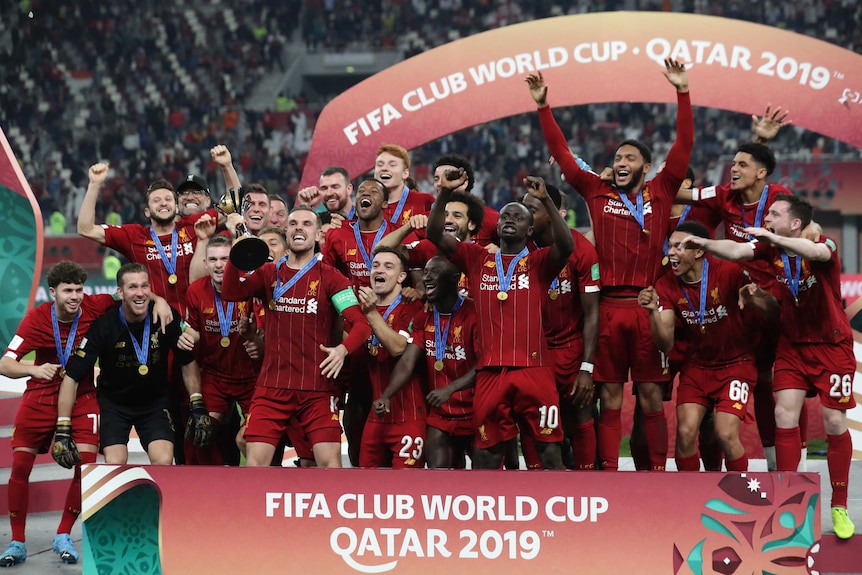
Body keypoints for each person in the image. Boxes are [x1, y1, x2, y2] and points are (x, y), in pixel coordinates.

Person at [529, 59, 693, 471]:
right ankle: (608, 475)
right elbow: (562, 154)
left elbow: (683, 147)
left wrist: (683, 92)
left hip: (645, 305)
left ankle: (655, 476)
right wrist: (543, 107)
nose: (620, 162)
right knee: (612, 398)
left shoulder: (662, 190)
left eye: (630, 158)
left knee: (652, 397)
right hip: (607, 308)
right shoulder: (595, 190)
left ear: (645, 166)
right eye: (617, 157)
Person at [684, 194, 855, 539]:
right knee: (783, 416)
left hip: (832, 346)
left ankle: (838, 506)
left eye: (775, 214)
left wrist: (774, 238)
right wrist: (706, 243)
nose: (768, 217)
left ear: (794, 223)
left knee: (835, 421)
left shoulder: (824, 243)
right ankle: (789, 503)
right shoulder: (769, 249)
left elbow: (818, 254)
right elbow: (737, 251)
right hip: (792, 346)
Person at [0, 262, 168, 566]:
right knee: (21, 465)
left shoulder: (96, 306)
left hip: (83, 396)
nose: (75, 297)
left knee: (87, 466)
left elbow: (135, 295)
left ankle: (64, 533)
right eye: (67, 291)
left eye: (79, 289)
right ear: (52, 293)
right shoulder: (36, 320)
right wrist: (33, 369)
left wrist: (162, 301)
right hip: (41, 394)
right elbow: (5, 364)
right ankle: (16, 541)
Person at [428, 170, 573, 470]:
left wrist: (545, 199)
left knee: (548, 452)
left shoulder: (539, 262)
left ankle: (557, 512)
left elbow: (567, 247)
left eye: (518, 217)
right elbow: (433, 235)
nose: (509, 219)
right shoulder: (476, 258)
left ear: (530, 230)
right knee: (487, 454)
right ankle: (490, 515)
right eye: (505, 216)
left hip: (535, 371)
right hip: (491, 372)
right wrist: (444, 193)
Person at [220, 205, 371, 468]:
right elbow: (231, 292)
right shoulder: (269, 274)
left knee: (329, 465)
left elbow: (361, 325)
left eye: (306, 224)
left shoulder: (333, 278)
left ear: (317, 236)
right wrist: (237, 249)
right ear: (286, 232)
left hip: (317, 388)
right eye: (293, 224)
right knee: (255, 463)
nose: (299, 227)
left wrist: (342, 350)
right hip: (273, 387)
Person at [639, 221, 779, 473]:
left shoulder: (729, 272)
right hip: (697, 367)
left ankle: (742, 495)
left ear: (699, 251)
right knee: (684, 433)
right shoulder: (666, 284)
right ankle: (690, 502)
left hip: (736, 365)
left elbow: (774, 312)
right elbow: (665, 343)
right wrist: (652, 315)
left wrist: (755, 297)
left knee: (725, 433)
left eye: (680, 246)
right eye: (670, 246)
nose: (671, 252)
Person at [53, 264, 212, 467]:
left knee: (163, 460)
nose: (140, 293)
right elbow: (72, 377)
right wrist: (63, 427)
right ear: (120, 292)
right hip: (114, 404)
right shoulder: (104, 326)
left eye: (144, 286)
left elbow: (187, 362)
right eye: (132, 287)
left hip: (155, 403)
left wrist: (196, 403)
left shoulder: (164, 316)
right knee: (115, 462)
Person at [522, 184, 600, 470]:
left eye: (531, 209)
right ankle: (536, 481)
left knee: (581, 415)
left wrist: (587, 369)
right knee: (531, 418)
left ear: (550, 213)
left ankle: (586, 484)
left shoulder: (582, 250)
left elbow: (592, 314)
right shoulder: (517, 246)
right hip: (532, 351)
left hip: (570, 348)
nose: (524, 215)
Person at [379, 255, 479, 468]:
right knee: (437, 476)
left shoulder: (475, 314)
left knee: (489, 479)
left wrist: (450, 388)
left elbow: (486, 364)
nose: (426, 278)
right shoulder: (425, 318)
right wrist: (387, 395)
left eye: (434, 272)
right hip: (441, 413)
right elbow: (407, 362)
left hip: (477, 411)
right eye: (425, 272)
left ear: (454, 278)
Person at [77, 163, 204, 314]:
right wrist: (94, 184)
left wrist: (227, 166)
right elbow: (85, 229)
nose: (163, 203)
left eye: (168, 199)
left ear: (176, 208)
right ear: (147, 212)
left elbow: (235, 208)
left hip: (196, 322)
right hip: (152, 323)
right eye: (156, 200)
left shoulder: (195, 227)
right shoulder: (134, 235)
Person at [180, 235, 260, 465]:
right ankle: (211, 489)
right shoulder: (196, 291)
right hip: (216, 377)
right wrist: (185, 337)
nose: (219, 265)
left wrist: (257, 338)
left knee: (256, 435)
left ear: (234, 261)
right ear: (205, 263)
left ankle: (262, 485)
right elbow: (194, 331)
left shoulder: (250, 288)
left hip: (252, 378)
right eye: (213, 259)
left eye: (225, 258)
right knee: (198, 430)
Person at [360, 247, 424, 468]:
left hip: (409, 417)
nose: (380, 270)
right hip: (375, 417)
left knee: (406, 490)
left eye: (388, 267)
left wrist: (371, 314)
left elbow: (398, 348)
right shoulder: (363, 307)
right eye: (376, 265)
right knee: (366, 491)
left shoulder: (413, 308)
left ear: (401, 277)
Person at [432, 154, 498, 247]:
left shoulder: (490, 218)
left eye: (448, 178)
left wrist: (500, 252)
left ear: (464, 183)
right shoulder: (426, 218)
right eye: (436, 179)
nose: (440, 183)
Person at [374, 144, 435, 228]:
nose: (384, 168)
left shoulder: (425, 201)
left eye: (392, 165)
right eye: (380, 165)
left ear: (405, 173)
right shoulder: (368, 207)